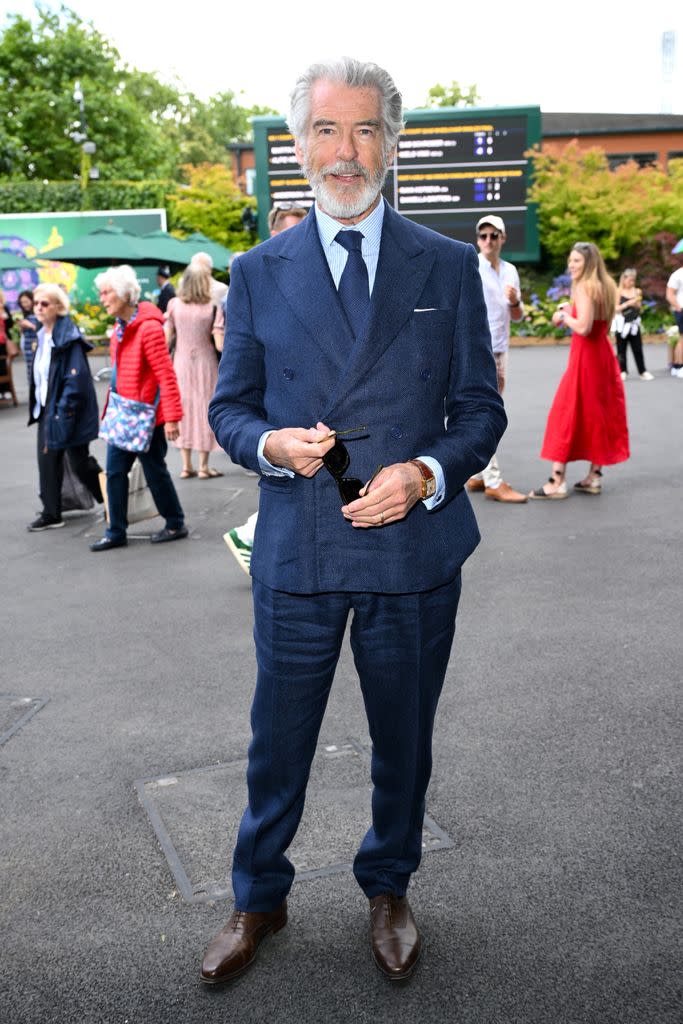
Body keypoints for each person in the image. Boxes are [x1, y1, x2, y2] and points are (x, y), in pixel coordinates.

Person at [202, 57, 506, 985]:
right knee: (278, 738)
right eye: (327, 131)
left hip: (413, 550)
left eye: (365, 130)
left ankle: (388, 886)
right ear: (298, 146)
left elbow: (480, 412)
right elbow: (229, 409)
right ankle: (259, 895)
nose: (346, 151)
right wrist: (269, 445)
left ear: (391, 143)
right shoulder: (255, 273)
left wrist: (423, 472)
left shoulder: (448, 266)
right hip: (298, 541)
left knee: (402, 737)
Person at [224, 203, 309, 574]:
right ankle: (250, 535)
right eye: (293, 231)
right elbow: (233, 398)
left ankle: (250, 533)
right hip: (284, 423)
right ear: (275, 235)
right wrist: (266, 442)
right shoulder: (253, 275)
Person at [89, 265, 188, 551]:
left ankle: (175, 522)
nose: (102, 298)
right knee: (115, 472)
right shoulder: (119, 329)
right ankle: (115, 530)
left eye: (106, 292)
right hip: (124, 415)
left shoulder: (148, 328)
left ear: (123, 294)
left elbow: (165, 374)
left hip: (147, 417)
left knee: (155, 471)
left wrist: (171, 418)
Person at [529, 242, 629, 499]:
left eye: (576, 261)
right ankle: (594, 476)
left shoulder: (584, 286)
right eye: (570, 260)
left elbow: (583, 327)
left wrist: (564, 317)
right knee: (598, 414)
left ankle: (556, 481)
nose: (571, 266)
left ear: (588, 263)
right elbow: (596, 320)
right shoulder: (606, 285)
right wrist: (570, 309)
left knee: (565, 413)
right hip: (603, 355)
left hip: (585, 358)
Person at [26, 284, 103, 531]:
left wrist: (62, 410)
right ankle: (51, 513)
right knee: (48, 460)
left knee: (80, 462)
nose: (38, 307)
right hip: (47, 408)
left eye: (44, 303)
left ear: (59, 307)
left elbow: (76, 380)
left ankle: (113, 497)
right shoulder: (42, 335)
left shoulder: (68, 337)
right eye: (36, 302)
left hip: (66, 410)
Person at [466, 214, 527, 503]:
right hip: (478, 349)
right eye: (483, 236)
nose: (488, 241)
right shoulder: (471, 266)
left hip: (500, 349)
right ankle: (493, 480)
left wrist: (514, 300)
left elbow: (517, 315)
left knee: (488, 409)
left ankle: (477, 474)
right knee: (487, 412)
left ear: (502, 238)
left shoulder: (510, 271)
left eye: (493, 235)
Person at [164, 264, 225, 479]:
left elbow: (167, 338)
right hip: (205, 363)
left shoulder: (174, 305)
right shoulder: (211, 307)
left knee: (184, 409)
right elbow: (219, 345)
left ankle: (185, 465)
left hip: (180, 363)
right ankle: (203, 466)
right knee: (204, 409)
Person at [613, 269, 653, 380]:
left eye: (633, 280)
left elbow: (640, 307)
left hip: (633, 323)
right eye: (630, 280)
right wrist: (627, 304)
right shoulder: (618, 292)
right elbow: (615, 308)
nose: (632, 283)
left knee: (638, 348)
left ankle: (642, 371)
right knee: (621, 349)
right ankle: (623, 371)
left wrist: (636, 304)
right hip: (622, 324)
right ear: (624, 279)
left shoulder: (637, 291)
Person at [16, 289, 40, 388]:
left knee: (38, 371)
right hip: (27, 347)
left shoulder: (39, 311)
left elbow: (43, 329)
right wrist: (21, 327)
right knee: (31, 371)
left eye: (26, 301)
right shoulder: (24, 314)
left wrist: (30, 325)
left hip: (37, 346)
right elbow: (23, 333)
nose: (24, 304)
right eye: (22, 302)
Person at [665, 262, 683, 377]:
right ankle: (679, 366)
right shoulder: (677, 274)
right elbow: (669, 294)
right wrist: (678, 308)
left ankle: (677, 366)